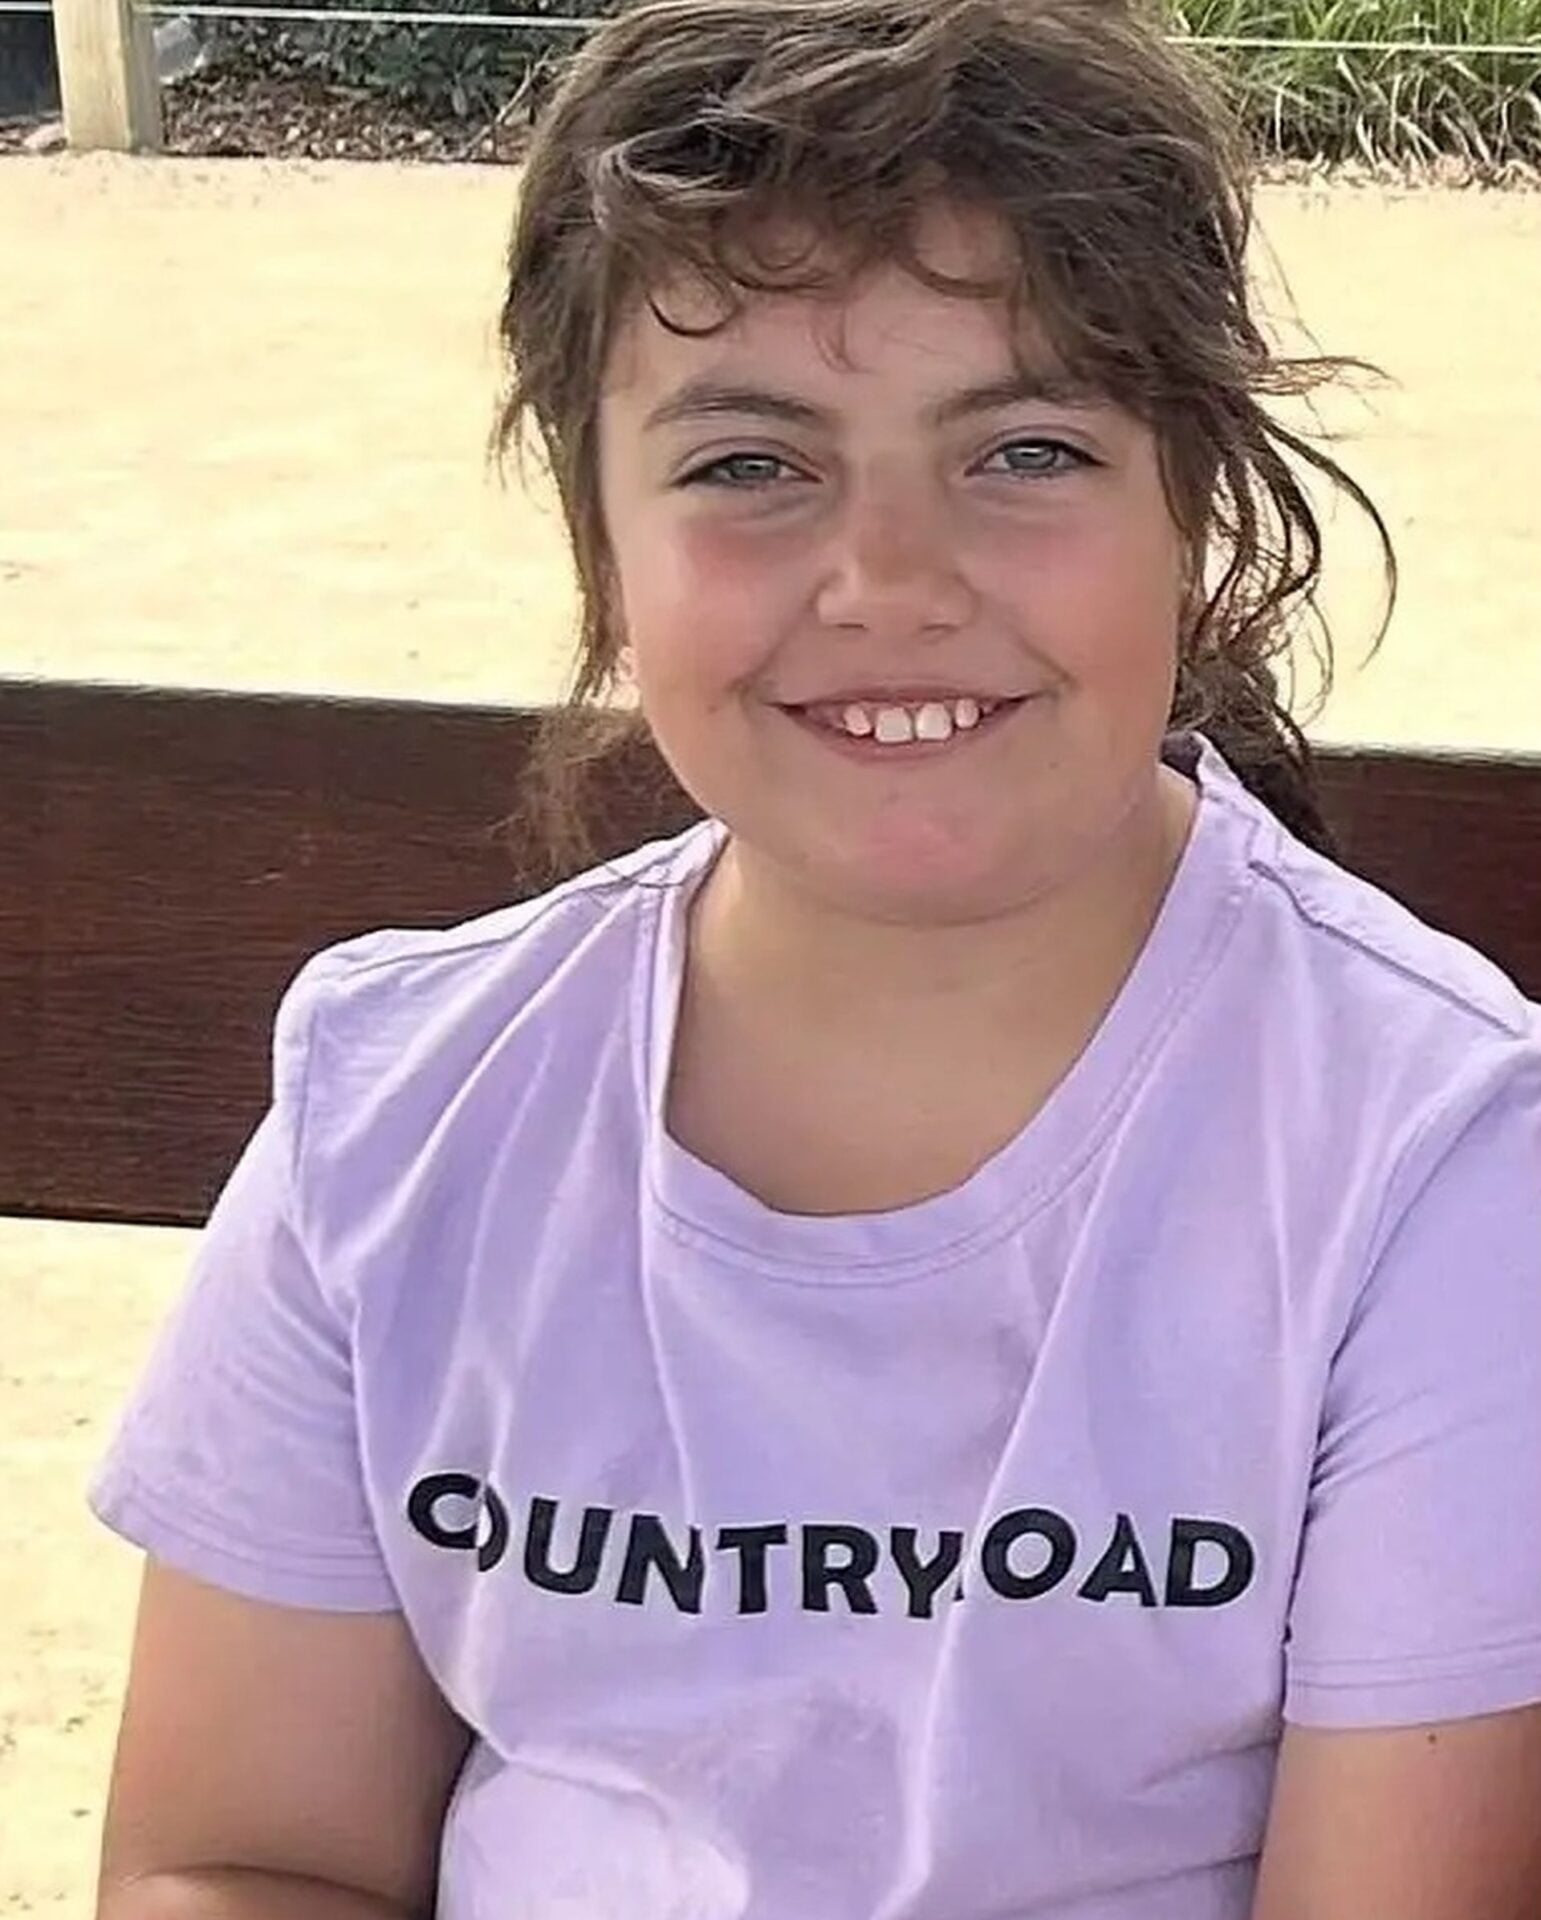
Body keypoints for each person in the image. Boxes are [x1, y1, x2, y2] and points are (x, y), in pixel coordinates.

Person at [90, 1, 1541, 1915]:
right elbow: (237, 1856)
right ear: (598, 540)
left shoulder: (1434, 1162)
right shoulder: (400, 1105)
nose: (890, 583)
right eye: (748, 466)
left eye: (1025, 449)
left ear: (1191, 512)